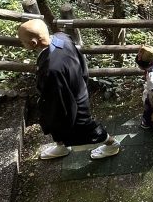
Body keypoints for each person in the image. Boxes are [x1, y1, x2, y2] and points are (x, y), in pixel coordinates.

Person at [17, 20, 120, 160]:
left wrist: (47, 113)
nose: (22, 44)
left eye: (22, 41)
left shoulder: (51, 69)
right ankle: (61, 146)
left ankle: (112, 144)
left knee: (86, 127)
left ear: (33, 43)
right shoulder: (61, 37)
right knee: (57, 126)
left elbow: (57, 102)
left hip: (71, 100)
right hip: (77, 84)